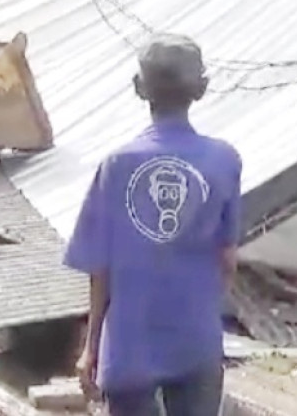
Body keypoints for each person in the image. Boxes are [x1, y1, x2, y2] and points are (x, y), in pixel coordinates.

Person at [64, 34, 242, 416]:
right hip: (196, 341)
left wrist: (91, 348)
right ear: (203, 88)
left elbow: (100, 269)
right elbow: (227, 261)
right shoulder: (224, 160)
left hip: (130, 342)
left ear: (139, 88)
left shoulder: (116, 166)